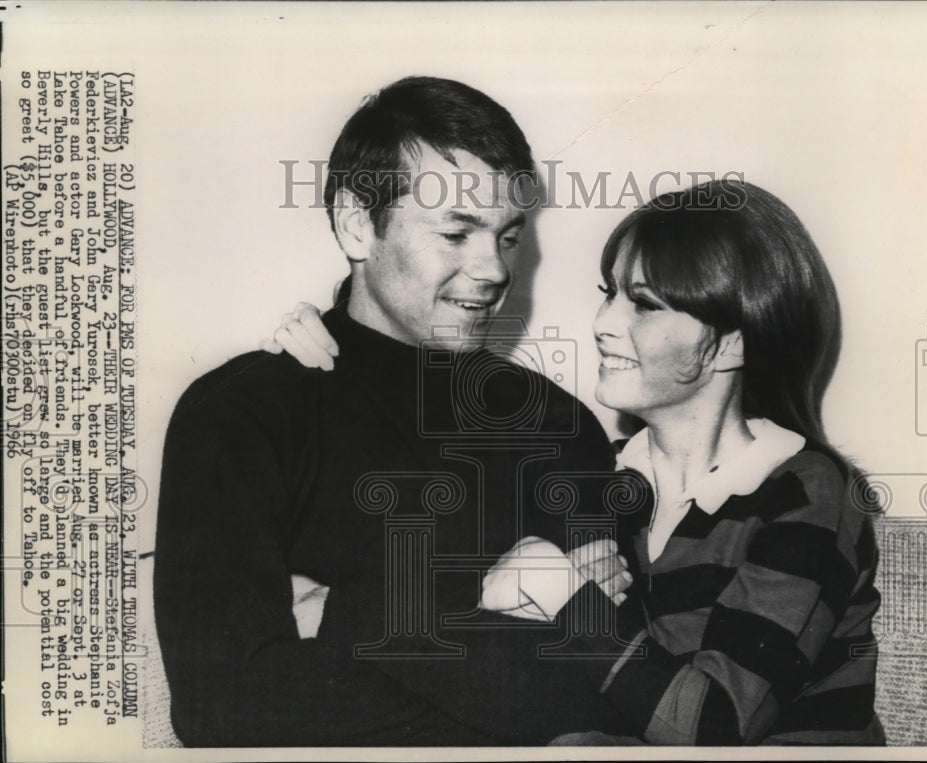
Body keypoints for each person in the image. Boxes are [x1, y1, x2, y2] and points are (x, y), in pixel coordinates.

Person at [272, 179, 885, 745]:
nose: (602, 324)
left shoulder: (809, 493)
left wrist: (561, 590)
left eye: (643, 304)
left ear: (732, 342)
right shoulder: (602, 478)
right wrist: (336, 352)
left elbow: (712, 729)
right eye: (609, 294)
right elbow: (483, 610)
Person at [154, 76, 634, 747]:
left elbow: (622, 694)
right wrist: (495, 611)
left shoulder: (559, 422)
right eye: (457, 231)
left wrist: (346, 619)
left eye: (507, 236)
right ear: (357, 223)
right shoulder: (241, 415)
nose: (494, 268)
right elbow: (224, 705)